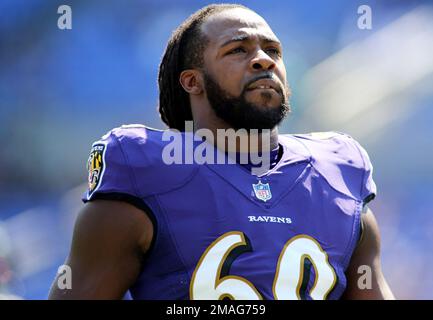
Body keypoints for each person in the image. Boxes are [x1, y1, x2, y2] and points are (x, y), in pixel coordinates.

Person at [49, 3, 394, 300]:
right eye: (238, 50)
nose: (263, 60)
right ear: (192, 81)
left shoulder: (338, 174)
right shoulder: (144, 170)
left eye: (272, 51)